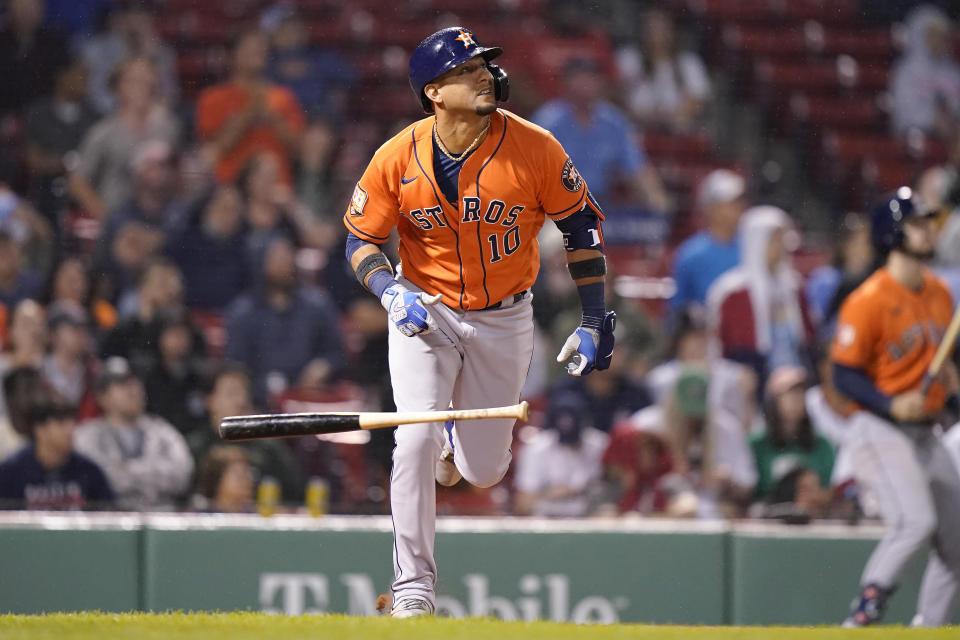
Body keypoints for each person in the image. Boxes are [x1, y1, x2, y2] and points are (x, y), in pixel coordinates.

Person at [343, 27, 616, 617]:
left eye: (484, 66)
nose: (484, 76)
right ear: (434, 92)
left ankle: (451, 442)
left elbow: (581, 230)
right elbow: (360, 241)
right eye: (467, 70)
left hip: (504, 318)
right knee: (411, 437)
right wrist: (389, 291)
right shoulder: (397, 155)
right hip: (425, 311)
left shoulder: (535, 146)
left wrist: (596, 318)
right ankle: (414, 586)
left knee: (485, 471)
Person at [831, 187, 960, 627]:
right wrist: (889, 402)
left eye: (929, 222)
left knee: (957, 544)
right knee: (915, 523)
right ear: (892, 232)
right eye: (918, 222)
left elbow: (943, 364)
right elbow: (843, 374)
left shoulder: (941, 293)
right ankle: (862, 620)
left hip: (927, 430)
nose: (928, 230)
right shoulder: (868, 299)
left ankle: (930, 629)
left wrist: (952, 389)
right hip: (879, 427)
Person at [530, 56, 670, 214]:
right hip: (551, 206)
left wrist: (659, 203)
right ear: (565, 83)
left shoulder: (613, 121)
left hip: (600, 204)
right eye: (579, 77)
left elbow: (637, 169)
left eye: (591, 77)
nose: (585, 83)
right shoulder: (548, 120)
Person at [225, 234, 344, 407]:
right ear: (260, 262)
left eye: (288, 255)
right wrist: (265, 386)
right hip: (260, 404)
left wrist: (324, 365)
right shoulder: (242, 312)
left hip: (311, 400)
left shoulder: (317, 304)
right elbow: (236, 367)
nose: (285, 262)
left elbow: (337, 353)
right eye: (277, 257)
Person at [706, 205, 816, 386]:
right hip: (750, 379)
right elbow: (717, 348)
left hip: (796, 379)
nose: (781, 247)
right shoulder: (731, 292)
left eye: (783, 239)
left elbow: (808, 339)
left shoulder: (795, 287)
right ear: (756, 241)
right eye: (774, 240)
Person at [73, 356, 194, 511]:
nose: (133, 389)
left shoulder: (163, 431)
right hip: (111, 520)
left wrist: (125, 470)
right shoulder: (86, 435)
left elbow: (182, 474)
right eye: (122, 384)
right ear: (102, 397)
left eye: (136, 382)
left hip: (162, 518)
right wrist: (151, 472)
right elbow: (97, 480)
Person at [68, 56, 181, 218]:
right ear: (118, 87)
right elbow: (77, 182)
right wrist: (106, 218)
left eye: (147, 80)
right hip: (118, 217)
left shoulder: (168, 127)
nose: (142, 87)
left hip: (160, 219)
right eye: (134, 81)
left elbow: (179, 175)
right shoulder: (103, 132)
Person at [195, 29, 306, 187]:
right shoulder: (213, 97)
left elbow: (300, 149)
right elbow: (217, 148)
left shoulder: (282, 96)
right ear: (232, 55)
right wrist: (251, 111)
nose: (257, 51)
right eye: (249, 47)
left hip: (276, 188)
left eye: (260, 47)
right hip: (230, 187)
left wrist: (273, 118)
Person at [186, 362, 307, 504]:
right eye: (231, 393)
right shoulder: (195, 447)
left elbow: (296, 492)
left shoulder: (268, 447)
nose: (241, 400)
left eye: (244, 393)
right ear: (210, 400)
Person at [0, 367, 112, 510]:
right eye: (61, 423)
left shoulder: (89, 471)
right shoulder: (11, 473)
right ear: (40, 429)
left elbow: (108, 519)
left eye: (72, 422)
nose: (70, 430)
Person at [749, 365, 835, 505]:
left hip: (812, 517)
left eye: (800, 394)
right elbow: (750, 491)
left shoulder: (822, 445)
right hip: (765, 515)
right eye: (789, 394)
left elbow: (829, 490)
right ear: (774, 400)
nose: (796, 400)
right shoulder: (756, 444)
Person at [616, 8, 711, 133]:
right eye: (651, 29)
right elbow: (615, 95)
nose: (655, 35)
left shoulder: (689, 63)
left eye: (661, 29)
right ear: (643, 31)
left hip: (675, 131)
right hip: (635, 127)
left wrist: (667, 117)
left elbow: (696, 101)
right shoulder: (628, 58)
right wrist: (639, 116)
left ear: (672, 32)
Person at [513, 394, 609, 517]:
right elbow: (522, 504)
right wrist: (550, 494)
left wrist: (581, 491)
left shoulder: (599, 444)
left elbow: (613, 493)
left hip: (588, 520)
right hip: (545, 523)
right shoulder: (536, 448)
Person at [668, 169, 747, 316]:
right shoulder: (690, 254)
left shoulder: (750, 248)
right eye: (730, 204)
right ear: (711, 209)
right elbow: (677, 310)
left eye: (739, 203)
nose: (738, 209)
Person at [889, 5, 960, 142]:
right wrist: (932, 119)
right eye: (933, 35)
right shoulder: (906, 71)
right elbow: (902, 114)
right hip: (917, 139)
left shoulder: (954, 71)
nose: (939, 41)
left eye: (942, 35)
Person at [190, 445, 255, 513]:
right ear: (217, 478)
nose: (248, 479)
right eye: (239, 475)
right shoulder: (199, 516)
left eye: (248, 473)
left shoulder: (256, 515)